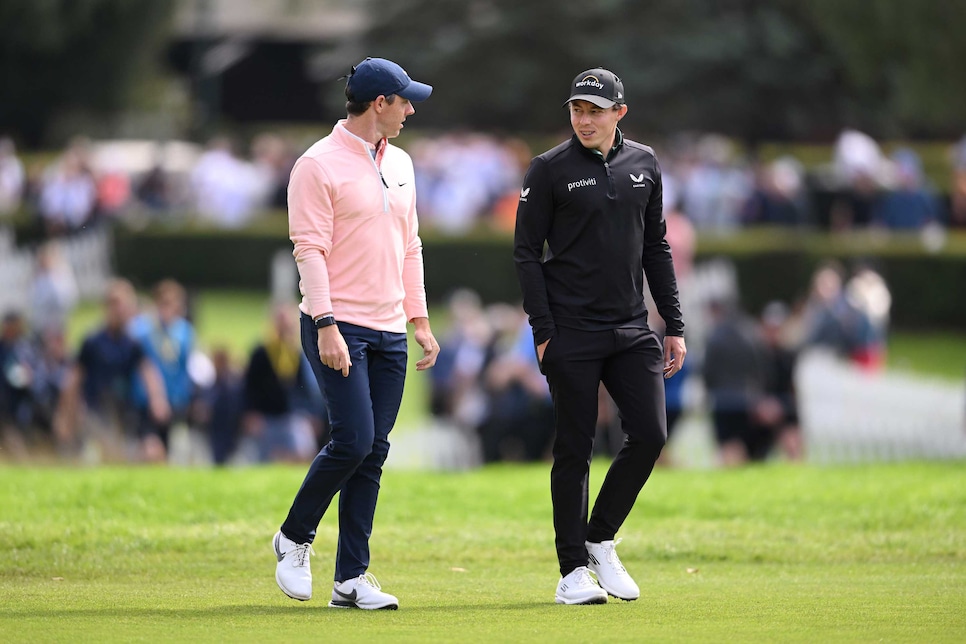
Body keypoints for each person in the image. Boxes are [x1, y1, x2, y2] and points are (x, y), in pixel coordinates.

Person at [514, 68, 687, 605]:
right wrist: (543, 332)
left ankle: (599, 539)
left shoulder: (645, 163)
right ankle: (571, 572)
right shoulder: (549, 169)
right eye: (576, 110)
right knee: (575, 448)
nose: (584, 120)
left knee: (651, 436)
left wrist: (675, 325)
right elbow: (526, 253)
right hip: (571, 331)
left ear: (619, 113)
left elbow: (656, 246)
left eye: (595, 110)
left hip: (633, 327)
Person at [272, 57, 439, 611]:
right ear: (379, 105)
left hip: (391, 328)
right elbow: (310, 251)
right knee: (354, 440)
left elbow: (410, 246)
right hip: (338, 324)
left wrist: (419, 320)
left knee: (374, 451)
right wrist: (325, 324)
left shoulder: (404, 164)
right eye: (404, 101)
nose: (411, 110)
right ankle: (294, 537)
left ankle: (351, 578)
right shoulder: (316, 165)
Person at [54, 279, 170, 462]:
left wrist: (157, 399)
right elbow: (74, 379)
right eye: (116, 305)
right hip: (96, 413)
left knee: (149, 452)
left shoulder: (132, 343)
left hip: (125, 413)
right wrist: (65, 415)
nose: (120, 310)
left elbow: (148, 372)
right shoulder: (92, 342)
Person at [129, 280, 195, 462]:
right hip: (146, 401)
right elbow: (142, 364)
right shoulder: (141, 329)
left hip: (175, 399)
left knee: (169, 451)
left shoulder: (185, 332)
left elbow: (184, 367)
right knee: (150, 448)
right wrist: (155, 398)